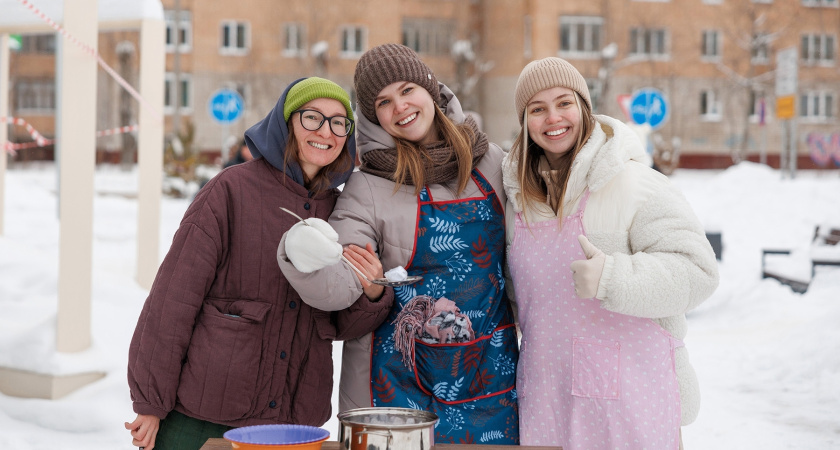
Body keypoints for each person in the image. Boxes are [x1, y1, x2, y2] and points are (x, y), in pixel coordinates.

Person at [124, 77, 393, 450]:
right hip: (205, 411)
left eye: (338, 122)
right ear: (285, 124)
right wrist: (151, 401)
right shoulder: (230, 191)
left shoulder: (343, 211)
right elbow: (173, 300)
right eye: (312, 117)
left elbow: (339, 322)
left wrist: (372, 293)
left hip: (293, 420)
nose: (326, 131)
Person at [278, 43, 520, 445]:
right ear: (374, 118)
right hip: (394, 390)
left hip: (489, 378)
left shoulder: (492, 163)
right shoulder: (369, 186)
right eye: (383, 102)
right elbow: (339, 280)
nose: (400, 107)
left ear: (430, 90)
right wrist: (304, 255)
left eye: (407, 90)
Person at [502, 57, 720, 449]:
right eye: (537, 109)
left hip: (632, 406)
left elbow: (698, 270)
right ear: (525, 121)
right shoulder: (517, 202)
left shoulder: (636, 184)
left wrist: (613, 278)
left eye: (564, 102)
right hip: (546, 402)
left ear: (584, 107)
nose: (553, 117)